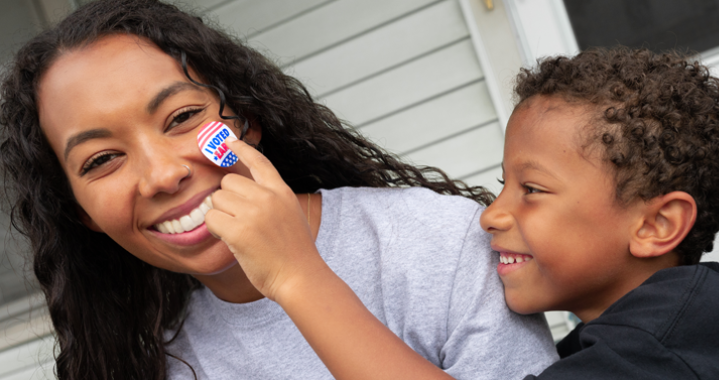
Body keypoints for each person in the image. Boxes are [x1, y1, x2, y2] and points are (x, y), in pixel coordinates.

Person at [0, 0, 559, 379]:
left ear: (246, 119)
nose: (163, 174)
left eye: (181, 117)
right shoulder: (157, 359)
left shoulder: (441, 243)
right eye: (101, 160)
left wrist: (296, 276)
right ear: (81, 212)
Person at [220, 47, 719, 379]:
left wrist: (296, 275)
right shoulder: (621, 343)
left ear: (655, 225)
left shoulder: (671, 342)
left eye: (533, 189)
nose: (490, 215)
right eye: (504, 185)